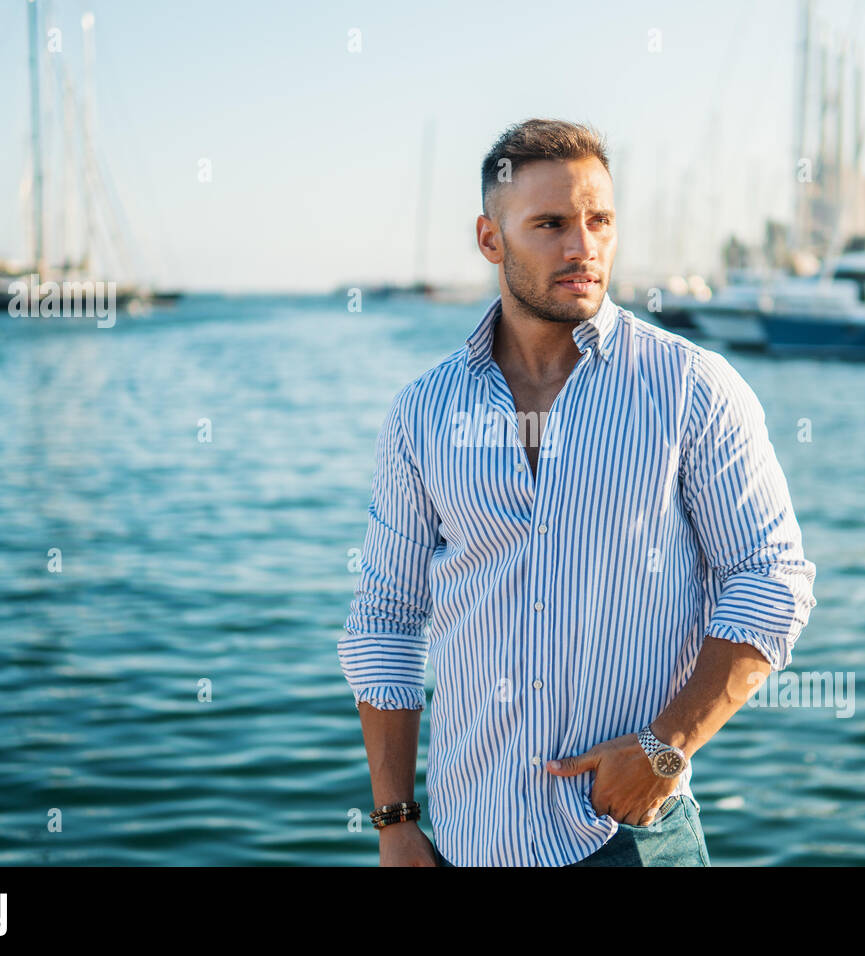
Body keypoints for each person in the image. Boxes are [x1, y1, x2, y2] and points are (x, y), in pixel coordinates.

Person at [340, 118, 816, 866]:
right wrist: (394, 820)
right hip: (470, 843)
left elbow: (771, 580)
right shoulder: (422, 414)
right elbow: (386, 621)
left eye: (600, 221)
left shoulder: (691, 389)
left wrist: (667, 746)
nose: (583, 246)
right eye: (551, 224)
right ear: (491, 239)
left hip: (631, 839)